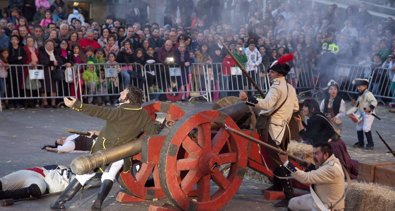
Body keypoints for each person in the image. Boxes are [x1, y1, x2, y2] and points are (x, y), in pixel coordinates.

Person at [51, 86, 157, 210]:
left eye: (124, 92)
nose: (121, 93)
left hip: (105, 149)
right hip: (122, 152)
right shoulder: (143, 114)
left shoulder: (120, 111)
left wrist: (76, 105)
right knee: (109, 175)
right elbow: (151, 131)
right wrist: (160, 123)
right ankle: (98, 204)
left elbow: (97, 111)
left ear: (128, 98)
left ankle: (58, 203)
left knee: (84, 176)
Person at [240, 53, 299, 207]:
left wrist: (249, 99)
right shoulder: (290, 88)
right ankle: (278, 185)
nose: (270, 74)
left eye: (272, 71)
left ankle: (289, 195)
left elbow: (265, 105)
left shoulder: (276, 87)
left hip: (273, 128)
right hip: (284, 128)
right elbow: (295, 107)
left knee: (279, 161)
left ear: (279, 73)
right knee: (278, 160)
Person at [299, 98, 358, 179]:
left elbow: (307, 138)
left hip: (332, 147)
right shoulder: (318, 116)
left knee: (334, 172)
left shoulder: (315, 119)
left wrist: (299, 123)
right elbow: (311, 131)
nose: (303, 108)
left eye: (305, 106)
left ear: (312, 109)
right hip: (337, 144)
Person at [279, 143, 346, 211]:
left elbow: (306, 178)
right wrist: (310, 166)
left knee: (292, 203)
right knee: (292, 203)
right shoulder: (333, 162)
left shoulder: (331, 169)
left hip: (326, 207)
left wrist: (286, 163)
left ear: (325, 155)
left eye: (316, 154)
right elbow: (320, 171)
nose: (314, 157)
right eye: (313, 153)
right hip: (321, 199)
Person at [0, 165, 74, 200]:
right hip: (34, 173)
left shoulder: (79, 179)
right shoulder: (64, 167)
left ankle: (4, 195)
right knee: (2, 182)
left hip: (41, 182)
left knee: (37, 189)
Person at [351, 78, 378, 150]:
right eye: (357, 86)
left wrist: (370, 108)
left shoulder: (368, 94)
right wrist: (354, 104)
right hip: (362, 113)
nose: (358, 88)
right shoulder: (360, 95)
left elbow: (374, 102)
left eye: (360, 86)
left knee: (366, 128)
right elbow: (358, 104)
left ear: (366, 86)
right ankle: (361, 143)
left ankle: (370, 144)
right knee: (359, 127)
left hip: (369, 114)